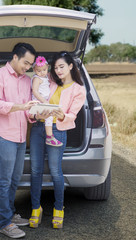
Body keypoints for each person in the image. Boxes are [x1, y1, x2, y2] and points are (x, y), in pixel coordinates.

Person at [28, 51, 86, 229]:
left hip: (58, 131)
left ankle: (58, 209)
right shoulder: (50, 82)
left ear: (70, 66)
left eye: (61, 66)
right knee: (35, 170)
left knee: (55, 171)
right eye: (55, 68)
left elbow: (72, 115)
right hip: (38, 129)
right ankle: (35, 209)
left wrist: (62, 115)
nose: (58, 71)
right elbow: (37, 97)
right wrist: (35, 116)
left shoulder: (79, 89)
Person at [0, 42, 38, 239]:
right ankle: (4, 223)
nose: (27, 67)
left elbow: (26, 110)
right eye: (25, 62)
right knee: (4, 180)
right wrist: (22, 106)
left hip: (19, 136)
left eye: (30, 64)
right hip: (1, 135)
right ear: (15, 57)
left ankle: (9, 213)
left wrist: (34, 113)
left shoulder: (26, 81)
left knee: (15, 179)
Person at [31, 56, 62, 147]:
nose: (41, 72)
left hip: (43, 101)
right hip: (38, 101)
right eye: (38, 71)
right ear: (34, 70)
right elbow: (35, 91)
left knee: (49, 116)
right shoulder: (37, 79)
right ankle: (49, 137)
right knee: (49, 116)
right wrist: (44, 101)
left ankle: (49, 136)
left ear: (47, 67)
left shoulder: (46, 77)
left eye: (44, 70)